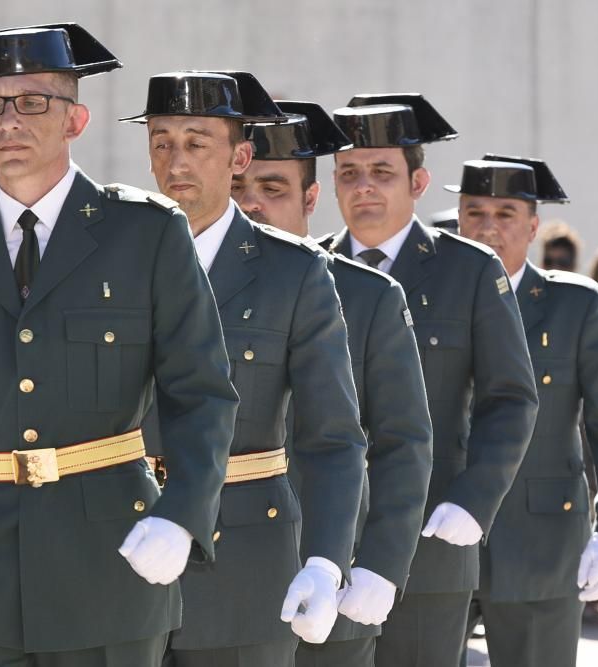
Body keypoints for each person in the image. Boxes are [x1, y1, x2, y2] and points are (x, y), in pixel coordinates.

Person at [0, 24, 238, 667]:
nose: (9, 121)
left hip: (109, 564)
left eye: (32, 102)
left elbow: (202, 392)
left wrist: (183, 515)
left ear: (75, 120)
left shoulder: (147, 232)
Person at [122, 72, 367, 666]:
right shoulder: (107, 259)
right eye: (161, 142)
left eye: (196, 142)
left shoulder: (294, 273)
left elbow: (333, 436)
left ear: (239, 156)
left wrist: (327, 559)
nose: (176, 161)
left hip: (242, 570)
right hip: (119, 556)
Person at [324, 95, 538, 667]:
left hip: (429, 540)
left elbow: (510, 398)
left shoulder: (469, 270)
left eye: (382, 173)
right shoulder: (309, 269)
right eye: (349, 173)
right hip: (323, 541)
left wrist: (474, 500)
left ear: (418, 182)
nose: (363, 186)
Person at [234, 101, 434, 667]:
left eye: (273, 187)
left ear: (311, 199)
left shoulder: (368, 297)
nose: (252, 202)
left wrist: (382, 564)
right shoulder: (190, 285)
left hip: (334, 572)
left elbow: (403, 443)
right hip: (225, 581)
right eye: (240, 185)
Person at [453, 155, 598, 666]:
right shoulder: (422, 298)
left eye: (505, 214)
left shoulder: (574, 306)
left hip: (540, 541)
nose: (488, 227)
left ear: (533, 226)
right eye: (474, 212)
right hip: (435, 538)